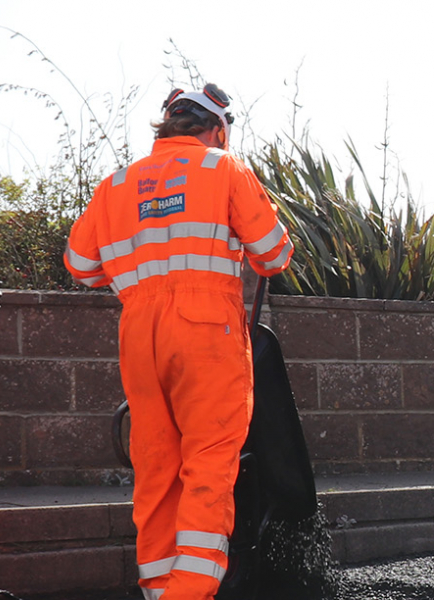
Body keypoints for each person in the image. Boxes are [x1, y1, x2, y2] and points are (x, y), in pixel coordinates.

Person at [65, 83, 292, 600]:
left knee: (156, 466)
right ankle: (189, 593)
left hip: (140, 333)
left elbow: (80, 266)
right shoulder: (223, 168)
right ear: (217, 128)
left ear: (166, 125)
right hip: (207, 328)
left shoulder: (116, 184)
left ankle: (159, 590)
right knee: (209, 463)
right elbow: (273, 255)